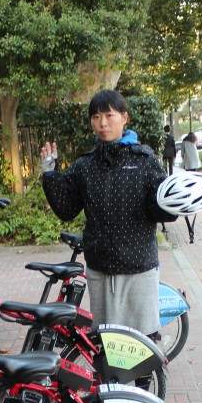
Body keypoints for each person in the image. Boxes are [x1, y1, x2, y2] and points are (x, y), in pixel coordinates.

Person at [39, 89, 177, 335]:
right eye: (96, 117)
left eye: (109, 116)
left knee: (143, 340)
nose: (102, 123)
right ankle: (111, 376)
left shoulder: (144, 160)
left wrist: (175, 202)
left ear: (124, 117)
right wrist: (50, 173)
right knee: (105, 342)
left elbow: (163, 210)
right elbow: (66, 209)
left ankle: (149, 377)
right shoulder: (86, 165)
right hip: (100, 268)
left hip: (139, 266)